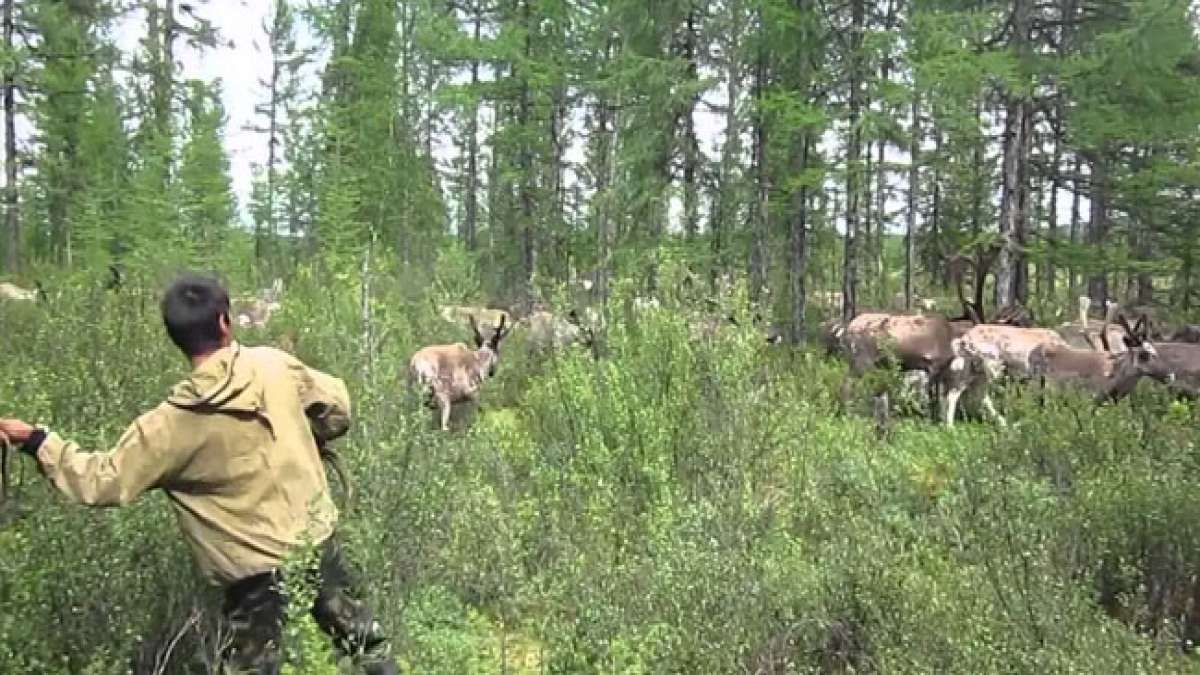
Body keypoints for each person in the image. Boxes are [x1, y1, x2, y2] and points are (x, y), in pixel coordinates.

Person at [0, 273, 397, 675]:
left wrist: (38, 441)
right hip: (316, 538)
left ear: (176, 337)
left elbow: (102, 481)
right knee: (364, 641)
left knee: (251, 667)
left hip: (252, 574)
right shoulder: (275, 366)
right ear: (226, 321)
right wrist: (303, 430)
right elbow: (336, 408)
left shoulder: (169, 427)